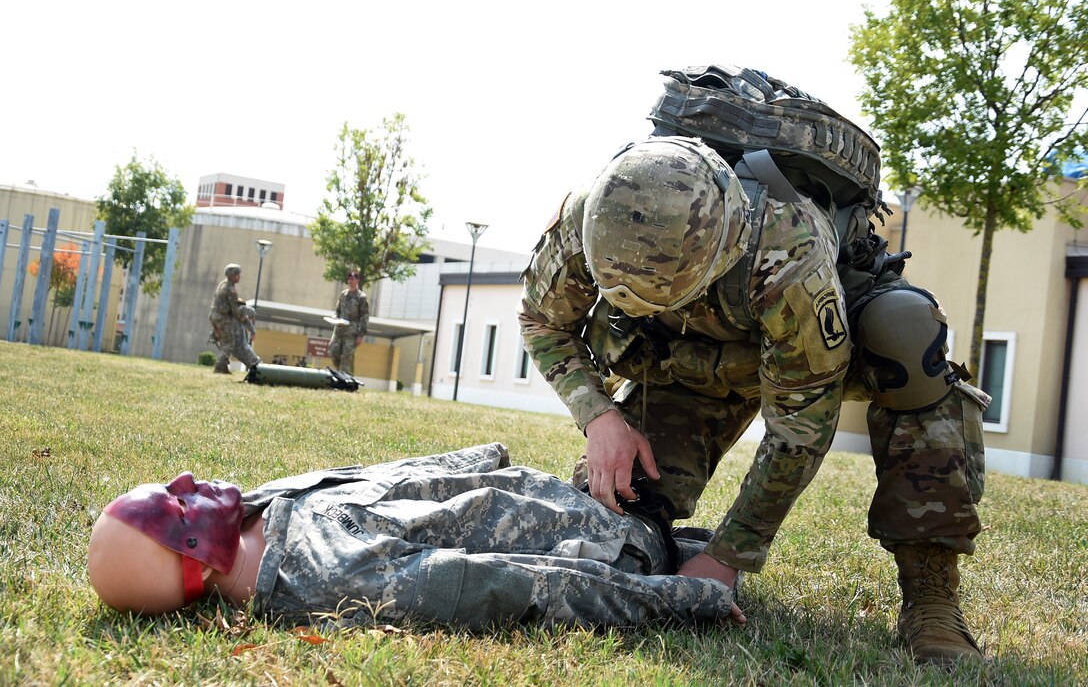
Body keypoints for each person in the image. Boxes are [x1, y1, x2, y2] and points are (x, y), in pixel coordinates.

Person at [518, 65, 989, 666]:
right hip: (685, 360)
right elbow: (542, 321)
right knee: (615, 524)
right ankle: (663, 541)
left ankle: (931, 596)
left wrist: (732, 554)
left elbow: (799, 425)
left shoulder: (787, 249)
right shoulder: (591, 216)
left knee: (907, 332)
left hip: (811, 352)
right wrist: (600, 418)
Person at [86, 443, 738, 628]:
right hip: (615, 541)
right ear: (191, 551)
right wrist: (682, 595)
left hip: (575, 493)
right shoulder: (329, 579)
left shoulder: (261, 509)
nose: (186, 477)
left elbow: (398, 476)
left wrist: (484, 458)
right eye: (174, 500)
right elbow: (517, 587)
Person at [207, 263, 260, 374]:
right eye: (237, 274)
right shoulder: (230, 290)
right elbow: (235, 311)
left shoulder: (223, 284)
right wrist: (245, 319)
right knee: (229, 343)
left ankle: (223, 367)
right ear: (232, 275)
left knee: (225, 342)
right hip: (222, 318)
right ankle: (220, 367)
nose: (239, 277)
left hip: (215, 316)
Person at [328, 270, 369, 376]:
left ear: (358, 280)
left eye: (354, 278)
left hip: (351, 331)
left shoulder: (361, 297)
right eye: (349, 278)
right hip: (339, 330)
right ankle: (343, 373)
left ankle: (344, 380)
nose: (351, 280)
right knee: (333, 352)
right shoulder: (343, 294)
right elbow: (337, 311)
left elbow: (364, 316)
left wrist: (361, 335)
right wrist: (334, 319)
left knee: (346, 356)